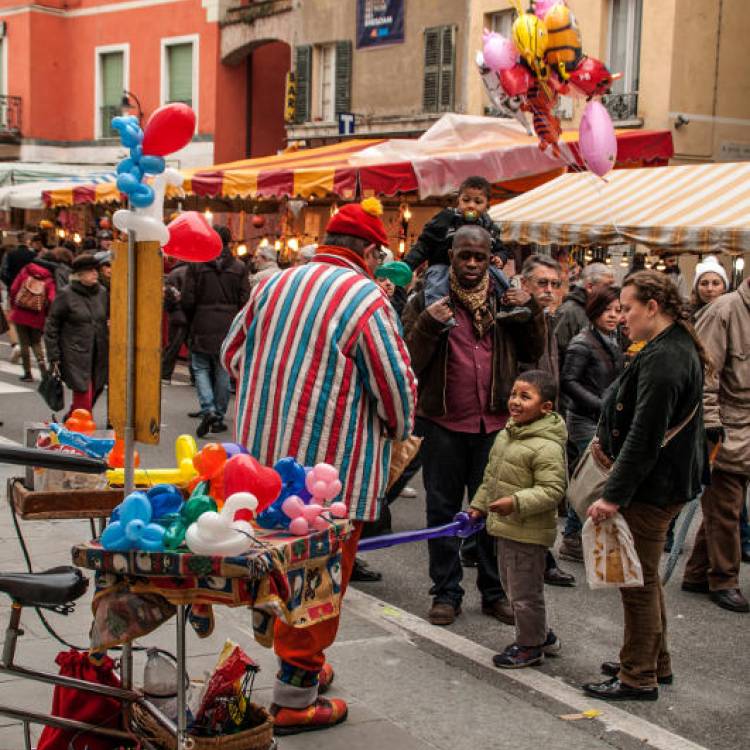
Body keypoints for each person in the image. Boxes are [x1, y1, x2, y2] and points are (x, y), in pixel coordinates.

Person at [221, 198, 416, 734]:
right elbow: (395, 391)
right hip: (330, 474)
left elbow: (231, 355)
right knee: (317, 578)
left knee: (274, 566)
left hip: (261, 464)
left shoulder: (273, 284)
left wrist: (272, 388)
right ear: (371, 252)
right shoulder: (367, 300)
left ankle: (294, 662)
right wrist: (397, 430)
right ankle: (294, 695)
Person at [402, 225, 545, 627]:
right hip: (443, 423)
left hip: (495, 423)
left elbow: (534, 350)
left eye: (478, 257)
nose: (470, 264)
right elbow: (409, 361)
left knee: (492, 514)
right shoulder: (427, 299)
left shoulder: (506, 300)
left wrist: (531, 309)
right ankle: (446, 593)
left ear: (489, 259)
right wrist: (429, 323)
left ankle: (494, 591)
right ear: (451, 254)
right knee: (443, 511)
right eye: (463, 255)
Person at [582, 270, 706, 702]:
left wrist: (613, 496)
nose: (621, 317)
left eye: (628, 308)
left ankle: (638, 676)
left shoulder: (668, 355)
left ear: (653, 307)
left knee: (636, 583)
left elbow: (644, 435)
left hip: (653, 488)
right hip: (662, 482)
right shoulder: (668, 346)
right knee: (646, 578)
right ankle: (656, 661)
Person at [469, 370, 567, 667]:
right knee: (512, 587)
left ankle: (530, 645)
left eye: (526, 396)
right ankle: (541, 634)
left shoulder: (547, 445)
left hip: (528, 532)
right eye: (514, 394)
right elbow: (491, 478)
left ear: (545, 407)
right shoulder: (507, 434)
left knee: (524, 593)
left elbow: (553, 490)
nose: (515, 401)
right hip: (505, 528)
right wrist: (479, 506)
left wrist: (515, 502)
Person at [682, 276, 750, 613]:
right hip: (727, 426)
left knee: (727, 507)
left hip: (743, 425)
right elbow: (704, 374)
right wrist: (711, 426)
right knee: (725, 508)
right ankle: (724, 578)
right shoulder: (724, 310)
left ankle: (696, 572)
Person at [518, 254, 575, 587]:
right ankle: (544, 559)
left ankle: (476, 545)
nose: (549, 290)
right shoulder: (521, 316)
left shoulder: (551, 319)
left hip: (546, 415)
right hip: (525, 416)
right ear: (525, 284)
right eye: (542, 283)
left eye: (555, 284)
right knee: (536, 492)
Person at [559, 286, 625, 562]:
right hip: (585, 418)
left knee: (597, 474)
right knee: (592, 475)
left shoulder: (614, 338)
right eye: (607, 310)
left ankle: (580, 536)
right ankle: (572, 537)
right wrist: (601, 405)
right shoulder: (582, 342)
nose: (613, 316)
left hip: (603, 417)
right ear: (594, 311)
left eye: (618, 310)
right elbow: (569, 382)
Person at [404, 176, 528, 319]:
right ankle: (437, 314)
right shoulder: (446, 219)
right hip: (443, 265)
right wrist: (408, 265)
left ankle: (508, 306)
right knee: (436, 283)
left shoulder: (489, 226)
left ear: (487, 206)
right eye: (466, 200)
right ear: (458, 200)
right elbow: (425, 243)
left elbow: (500, 247)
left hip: (480, 274)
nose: (471, 205)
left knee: (499, 276)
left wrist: (500, 258)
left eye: (478, 202)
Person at [182, 226, 249, 438]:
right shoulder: (239, 267)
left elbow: (187, 299)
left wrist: (191, 319)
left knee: (200, 366)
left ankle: (208, 408)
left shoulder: (196, 265)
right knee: (222, 369)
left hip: (202, 322)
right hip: (228, 324)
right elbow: (245, 299)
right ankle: (218, 414)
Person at [44, 254, 109, 417]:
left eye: (96, 269)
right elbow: (52, 325)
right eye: (90, 270)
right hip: (74, 353)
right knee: (83, 395)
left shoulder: (102, 292)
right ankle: (80, 431)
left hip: (99, 351)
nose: (95, 273)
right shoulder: (66, 294)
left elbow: (106, 317)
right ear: (79, 274)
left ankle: (72, 420)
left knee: (96, 389)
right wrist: (53, 355)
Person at [554, 262, 615, 367]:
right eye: (607, 285)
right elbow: (557, 355)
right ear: (590, 287)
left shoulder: (598, 308)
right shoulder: (568, 312)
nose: (611, 290)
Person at [8, 260, 55, 381]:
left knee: (23, 343)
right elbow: (52, 298)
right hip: (37, 316)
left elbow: (13, 289)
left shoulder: (25, 272)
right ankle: (43, 371)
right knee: (36, 343)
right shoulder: (48, 279)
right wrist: (47, 312)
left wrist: (14, 305)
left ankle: (27, 372)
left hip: (20, 313)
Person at [162, 260, 190, 383]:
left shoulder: (174, 273)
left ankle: (165, 374)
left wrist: (170, 309)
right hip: (191, 314)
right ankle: (195, 377)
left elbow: (168, 296)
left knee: (173, 346)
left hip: (177, 315)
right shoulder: (195, 271)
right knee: (192, 347)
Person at [690, 255, 728, 322]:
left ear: (724, 288)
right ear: (696, 288)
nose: (709, 289)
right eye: (704, 284)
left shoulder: (732, 314)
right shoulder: (687, 318)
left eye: (716, 283)